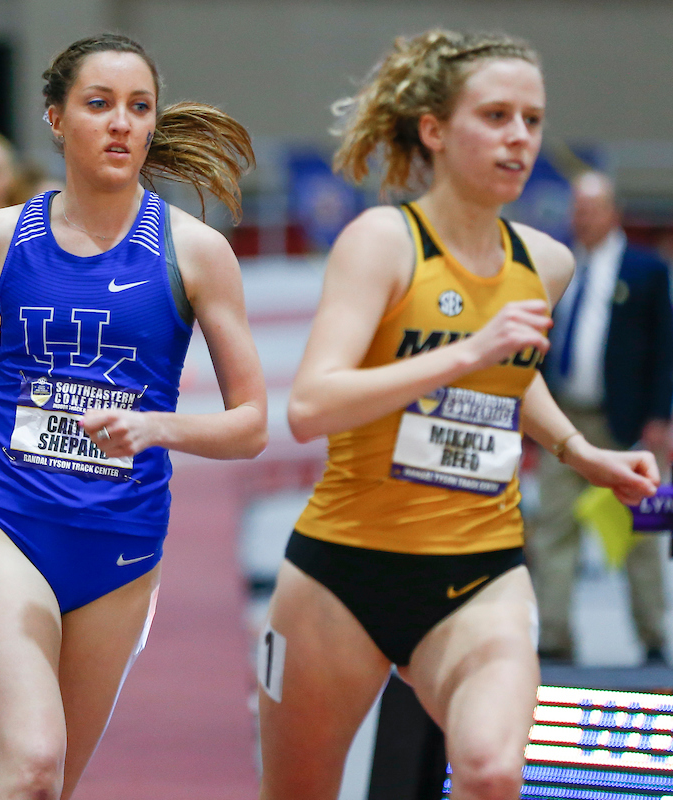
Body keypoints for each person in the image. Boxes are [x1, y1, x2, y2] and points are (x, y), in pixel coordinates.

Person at [257, 30, 660, 800]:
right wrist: (464, 352)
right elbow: (312, 405)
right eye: (497, 115)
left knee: (490, 770)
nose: (519, 137)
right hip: (344, 573)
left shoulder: (545, 261)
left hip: (483, 571)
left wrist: (582, 452)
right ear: (435, 130)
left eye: (532, 120)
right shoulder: (383, 243)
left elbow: (515, 376)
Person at [0, 32, 266, 799]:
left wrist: (158, 426)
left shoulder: (196, 252)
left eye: (138, 107)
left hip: (121, 550)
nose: (121, 123)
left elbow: (250, 423)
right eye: (99, 104)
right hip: (8, 526)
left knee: (45, 780)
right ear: (55, 118)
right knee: (36, 763)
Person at [527, 171, 673, 664]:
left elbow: (665, 349)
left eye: (591, 209)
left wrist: (660, 416)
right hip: (567, 419)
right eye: (576, 209)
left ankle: (653, 636)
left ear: (613, 213)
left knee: (643, 531)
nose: (581, 218)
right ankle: (554, 636)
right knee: (553, 527)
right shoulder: (558, 267)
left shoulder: (645, 269)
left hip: (630, 423)